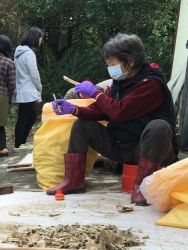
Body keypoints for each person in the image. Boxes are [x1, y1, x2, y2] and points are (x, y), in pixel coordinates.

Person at [47, 33, 178, 205]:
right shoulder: (119, 82)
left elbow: (119, 112)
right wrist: (74, 109)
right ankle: (74, 181)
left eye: (112, 64)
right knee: (82, 125)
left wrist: (95, 93)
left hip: (150, 150)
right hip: (121, 147)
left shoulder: (151, 84)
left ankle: (143, 188)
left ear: (130, 62)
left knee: (158, 127)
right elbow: (102, 109)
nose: (110, 68)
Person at [13, 27, 43, 149]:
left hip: (20, 89)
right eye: (40, 39)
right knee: (25, 118)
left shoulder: (18, 52)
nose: (40, 41)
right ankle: (19, 144)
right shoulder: (29, 54)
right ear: (35, 39)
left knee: (30, 117)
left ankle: (22, 142)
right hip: (28, 90)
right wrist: (39, 87)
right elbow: (34, 73)